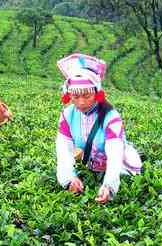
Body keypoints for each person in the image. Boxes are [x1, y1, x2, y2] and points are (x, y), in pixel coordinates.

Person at [55, 54, 142, 204]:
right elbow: (63, 149)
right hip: (90, 164)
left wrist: (109, 186)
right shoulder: (67, 115)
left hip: (119, 166)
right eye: (75, 97)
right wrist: (69, 179)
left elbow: (115, 154)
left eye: (87, 96)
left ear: (97, 93)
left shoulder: (111, 117)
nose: (81, 102)